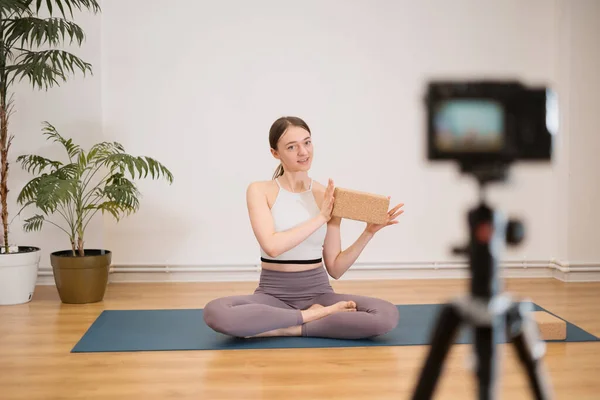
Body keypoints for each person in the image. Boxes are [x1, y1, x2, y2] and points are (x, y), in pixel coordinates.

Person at [203, 116, 404, 339]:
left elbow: (336, 268)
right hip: (272, 295)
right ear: (275, 153)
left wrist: (368, 232)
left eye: (307, 142)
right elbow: (272, 247)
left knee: (386, 314)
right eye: (292, 146)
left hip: (318, 293)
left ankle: (286, 326)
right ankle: (315, 317)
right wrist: (321, 217)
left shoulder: (326, 195)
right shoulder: (260, 190)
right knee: (216, 312)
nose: (303, 152)